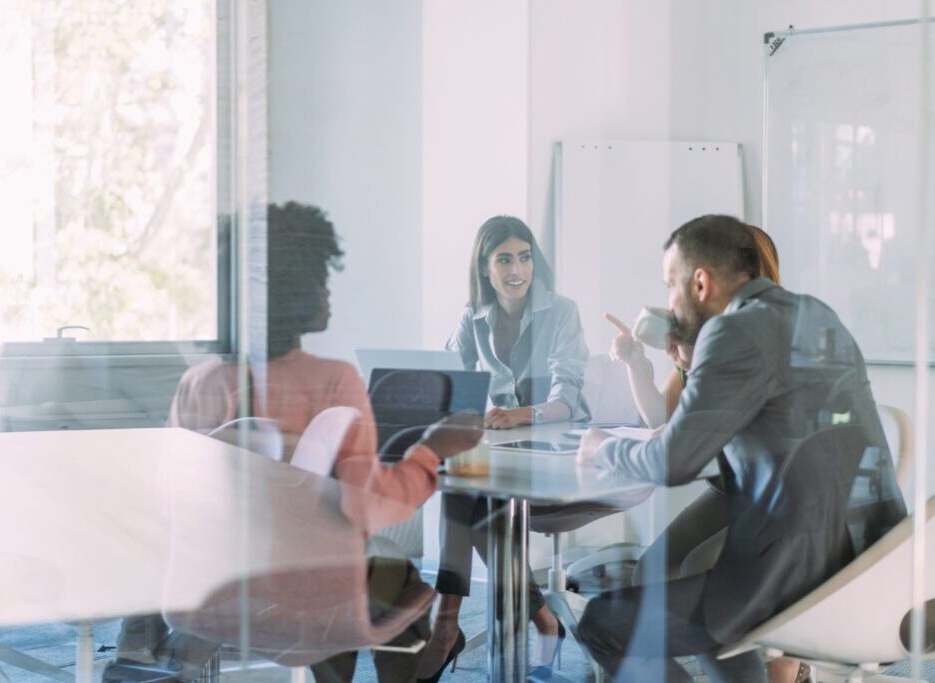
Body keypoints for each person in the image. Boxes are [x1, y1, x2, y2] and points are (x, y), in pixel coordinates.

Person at [111, 202, 483, 683]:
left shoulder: (197, 383)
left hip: (214, 591)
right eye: (320, 276)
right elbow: (368, 508)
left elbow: (171, 500)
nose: (328, 289)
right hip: (312, 596)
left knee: (350, 564)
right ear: (295, 288)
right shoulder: (333, 382)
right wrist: (433, 450)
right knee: (385, 570)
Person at [575, 214, 906, 682]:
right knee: (682, 595)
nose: (669, 301)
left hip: (789, 579)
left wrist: (599, 447)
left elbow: (672, 463)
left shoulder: (731, 333)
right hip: (865, 568)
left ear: (700, 283)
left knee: (601, 623)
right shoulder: (815, 312)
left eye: (671, 284)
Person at [606, 226, 808, 683]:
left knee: (706, 579)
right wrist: (639, 363)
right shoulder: (706, 331)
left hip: (779, 491)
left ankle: (780, 664)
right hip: (730, 488)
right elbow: (665, 412)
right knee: (650, 572)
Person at [417, 215, 589, 681]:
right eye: (505, 259)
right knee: (460, 486)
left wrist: (521, 414)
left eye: (525, 257)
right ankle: (534, 620)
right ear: (485, 268)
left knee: (468, 498)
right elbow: (450, 378)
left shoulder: (561, 312)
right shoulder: (472, 318)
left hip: (558, 455)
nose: (518, 270)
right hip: (503, 450)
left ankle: (446, 627)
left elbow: (567, 399)